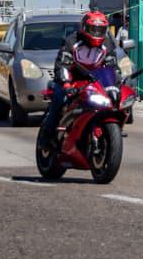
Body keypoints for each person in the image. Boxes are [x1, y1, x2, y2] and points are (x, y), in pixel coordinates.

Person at [39, 10, 118, 152]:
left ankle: (107, 131)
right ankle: (47, 136)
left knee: (111, 101)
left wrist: (114, 85)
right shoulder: (72, 41)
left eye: (100, 30)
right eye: (93, 29)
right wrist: (66, 84)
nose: (97, 33)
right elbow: (62, 65)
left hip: (94, 80)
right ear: (85, 28)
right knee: (60, 99)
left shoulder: (108, 43)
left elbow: (112, 67)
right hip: (71, 79)